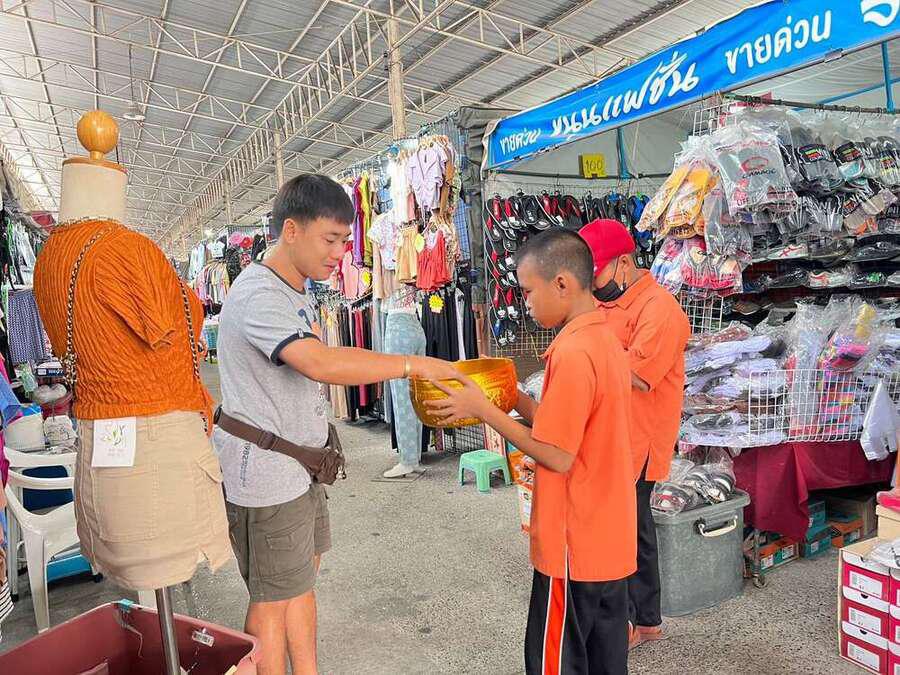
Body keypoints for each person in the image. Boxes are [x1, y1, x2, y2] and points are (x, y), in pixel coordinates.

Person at [213, 174, 458, 675]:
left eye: (345, 240)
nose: (340, 253)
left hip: (298, 467)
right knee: (272, 602)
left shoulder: (294, 288)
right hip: (267, 475)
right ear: (291, 230)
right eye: (330, 239)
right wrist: (413, 365)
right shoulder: (259, 294)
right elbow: (319, 363)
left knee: (300, 585)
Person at [426, 229, 636, 675]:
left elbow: (557, 454)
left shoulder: (574, 352)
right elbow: (568, 427)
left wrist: (483, 409)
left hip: (574, 543)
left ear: (561, 283)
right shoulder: (602, 338)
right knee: (605, 660)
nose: (525, 303)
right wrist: (513, 397)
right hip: (607, 537)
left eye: (527, 291)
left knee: (555, 662)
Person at [579, 218, 690, 649]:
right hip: (609, 435)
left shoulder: (660, 309)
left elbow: (639, 376)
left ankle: (628, 623)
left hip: (638, 439)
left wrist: (587, 361)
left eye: (597, 274)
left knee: (623, 533)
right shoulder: (606, 303)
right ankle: (645, 620)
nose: (593, 285)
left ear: (624, 264)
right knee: (633, 530)